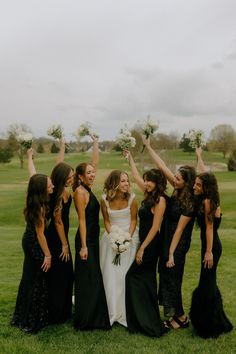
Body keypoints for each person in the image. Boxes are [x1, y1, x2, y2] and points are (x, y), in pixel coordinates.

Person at [142, 136, 195, 329]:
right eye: (176, 177)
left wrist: (172, 253)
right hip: (167, 240)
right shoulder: (178, 189)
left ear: (186, 182)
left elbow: (181, 229)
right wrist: (148, 147)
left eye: (178, 178)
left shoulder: (190, 202)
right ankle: (176, 315)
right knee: (165, 277)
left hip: (177, 244)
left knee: (173, 279)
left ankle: (181, 317)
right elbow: (162, 166)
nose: (174, 178)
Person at [27, 141, 74, 324]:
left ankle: (61, 310)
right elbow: (58, 221)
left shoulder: (57, 187)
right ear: (63, 178)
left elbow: (36, 172)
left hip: (58, 237)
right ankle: (58, 313)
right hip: (56, 238)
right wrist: (64, 244)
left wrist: (30, 158)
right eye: (69, 177)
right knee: (62, 274)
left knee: (61, 274)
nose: (72, 179)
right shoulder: (57, 193)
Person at [189, 148, 233, 338]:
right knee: (208, 283)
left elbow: (208, 228)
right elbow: (204, 172)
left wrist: (208, 252)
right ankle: (217, 320)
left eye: (198, 185)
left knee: (206, 285)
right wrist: (199, 156)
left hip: (212, 246)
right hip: (211, 246)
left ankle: (210, 325)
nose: (194, 187)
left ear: (205, 187)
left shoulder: (207, 202)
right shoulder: (212, 196)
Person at [124, 151, 168, 337]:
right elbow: (134, 176)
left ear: (157, 182)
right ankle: (143, 317)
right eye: (146, 180)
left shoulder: (161, 200)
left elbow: (156, 227)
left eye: (150, 180)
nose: (146, 182)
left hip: (151, 245)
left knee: (134, 278)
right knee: (145, 280)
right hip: (145, 243)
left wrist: (142, 248)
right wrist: (130, 158)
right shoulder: (148, 194)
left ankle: (146, 320)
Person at [11, 153, 54, 333]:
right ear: (42, 188)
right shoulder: (41, 206)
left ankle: (23, 314)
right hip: (34, 242)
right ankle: (31, 319)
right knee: (37, 278)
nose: (52, 186)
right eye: (50, 185)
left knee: (29, 277)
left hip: (29, 239)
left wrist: (29, 158)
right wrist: (48, 255)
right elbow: (40, 234)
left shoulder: (35, 196)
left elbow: (33, 176)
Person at [73, 135, 110, 330]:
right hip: (86, 241)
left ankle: (94, 316)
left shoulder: (88, 188)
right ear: (80, 176)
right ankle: (86, 319)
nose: (92, 174)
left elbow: (94, 163)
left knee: (93, 278)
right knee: (89, 279)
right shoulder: (80, 192)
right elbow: (81, 220)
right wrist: (84, 246)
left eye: (93, 172)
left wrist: (96, 142)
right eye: (88, 173)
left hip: (93, 240)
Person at [99, 169, 139, 327]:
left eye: (127, 181)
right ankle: (111, 310)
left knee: (124, 276)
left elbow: (134, 220)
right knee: (110, 275)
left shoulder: (132, 199)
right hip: (110, 239)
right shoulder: (104, 200)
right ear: (114, 183)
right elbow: (107, 221)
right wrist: (113, 237)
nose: (126, 184)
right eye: (123, 181)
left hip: (130, 238)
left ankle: (125, 310)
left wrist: (126, 238)